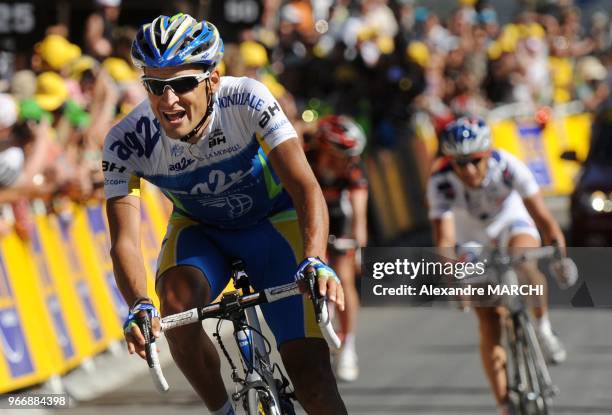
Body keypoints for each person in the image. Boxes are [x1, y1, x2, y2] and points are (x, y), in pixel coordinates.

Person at [102, 13, 347, 415]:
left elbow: (305, 187)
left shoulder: (247, 99)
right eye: (155, 86)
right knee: (174, 304)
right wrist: (138, 304)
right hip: (202, 233)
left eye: (182, 84)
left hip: (273, 223)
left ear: (212, 80)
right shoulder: (126, 141)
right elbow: (123, 240)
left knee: (314, 383)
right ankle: (222, 410)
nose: (168, 101)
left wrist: (315, 259)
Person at [426, 117, 576, 415]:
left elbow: (543, 218)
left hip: (510, 222)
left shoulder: (507, 165)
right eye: (459, 163)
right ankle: (503, 405)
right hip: (470, 240)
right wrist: (454, 281)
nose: (467, 170)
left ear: (488, 154)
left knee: (524, 259)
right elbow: (444, 238)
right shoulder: (441, 181)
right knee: (489, 322)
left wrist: (560, 254)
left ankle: (544, 329)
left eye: (474, 161)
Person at [306, 115, 368, 382]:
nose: (345, 161)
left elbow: (359, 216)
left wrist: (358, 245)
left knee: (343, 278)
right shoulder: (305, 159)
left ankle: (348, 346)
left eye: (350, 156)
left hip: (339, 218)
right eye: (339, 154)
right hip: (309, 216)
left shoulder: (352, 170)